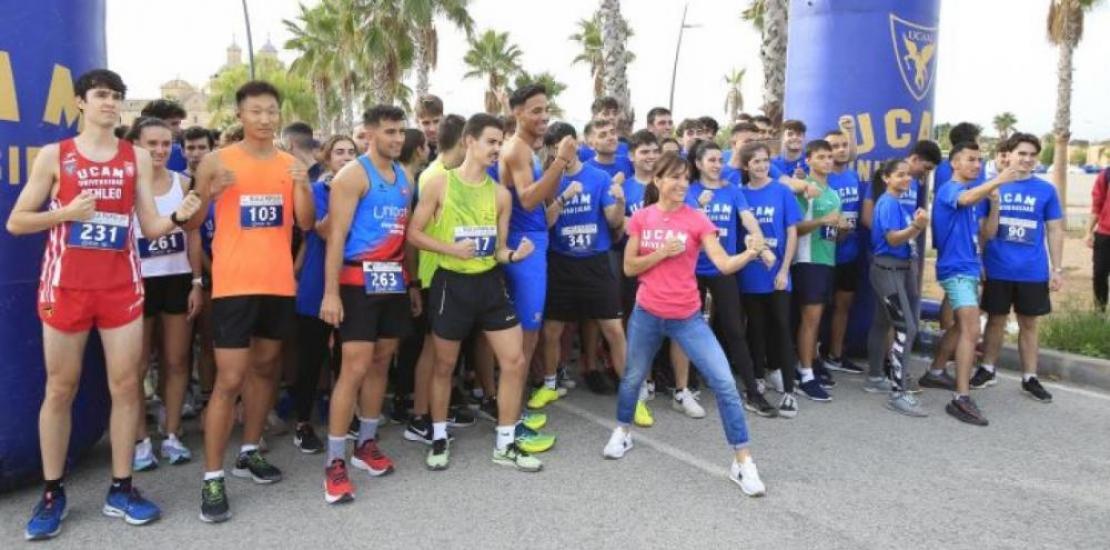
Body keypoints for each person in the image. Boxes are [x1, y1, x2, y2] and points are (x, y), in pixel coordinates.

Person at [7, 69, 202, 540]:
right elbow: (17, 221)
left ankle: (122, 487)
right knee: (61, 387)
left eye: (116, 96)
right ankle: (53, 492)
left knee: (126, 386)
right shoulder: (56, 155)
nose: (110, 102)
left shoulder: (134, 156)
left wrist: (179, 216)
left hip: (120, 287)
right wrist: (65, 214)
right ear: (80, 102)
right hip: (66, 286)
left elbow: (151, 227)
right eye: (101, 95)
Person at [602, 151, 766, 498]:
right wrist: (662, 253)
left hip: (687, 317)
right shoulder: (642, 219)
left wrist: (750, 253)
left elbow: (722, 264)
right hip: (646, 314)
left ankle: (743, 461)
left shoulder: (697, 220)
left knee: (723, 383)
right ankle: (623, 430)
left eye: (685, 178)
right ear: (658, 181)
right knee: (632, 377)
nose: (681, 184)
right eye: (673, 177)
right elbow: (629, 268)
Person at [186, 80, 314, 523]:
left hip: (277, 284)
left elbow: (306, 221)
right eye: (256, 111)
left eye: (271, 111)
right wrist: (210, 194)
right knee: (229, 379)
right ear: (240, 115)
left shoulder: (290, 163)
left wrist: (302, 185)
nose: (264, 118)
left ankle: (249, 452)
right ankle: (212, 476)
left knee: (265, 369)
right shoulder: (217, 161)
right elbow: (191, 221)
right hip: (234, 286)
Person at [407, 113, 543, 472]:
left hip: (489, 284)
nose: (498, 149)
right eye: (491, 142)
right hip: (451, 283)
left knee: (514, 362)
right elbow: (414, 233)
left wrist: (513, 255)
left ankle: (506, 442)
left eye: (501, 143)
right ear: (469, 141)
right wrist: (452, 250)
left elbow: (497, 248)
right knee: (444, 365)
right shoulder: (439, 183)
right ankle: (437, 437)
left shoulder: (500, 194)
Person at [317, 105, 417, 503]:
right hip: (357, 281)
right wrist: (330, 292)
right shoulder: (352, 174)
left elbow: (405, 234)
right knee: (354, 368)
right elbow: (336, 237)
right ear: (370, 133)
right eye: (389, 131)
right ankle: (334, 461)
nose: (396, 139)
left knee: (381, 364)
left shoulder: (406, 177)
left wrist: (411, 284)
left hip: (392, 280)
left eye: (400, 132)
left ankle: (367, 444)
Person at [674, 141, 780, 418]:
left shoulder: (732, 190)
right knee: (690, 328)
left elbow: (749, 221)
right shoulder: (689, 190)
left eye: (720, 160)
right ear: (698, 164)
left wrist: (762, 247)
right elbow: (678, 225)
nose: (717, 165)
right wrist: (697, 206)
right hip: (691, 270)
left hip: (724, 268)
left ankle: (753, 393)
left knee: (735, 329)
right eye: (711, 160)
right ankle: (688, 385)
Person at [125, 117, 205, 470]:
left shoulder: (184, 181)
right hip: (137, 282)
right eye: (151, 144)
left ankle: (171, 433)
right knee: (136, 367)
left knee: (176, 362)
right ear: (135, 145)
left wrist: (197, 282)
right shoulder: (125, 184)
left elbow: (193, 235)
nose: (159, 151)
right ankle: (141, 440)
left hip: (176, 278)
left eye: (165, 144)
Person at [538, 122, 631, 419]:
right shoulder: (548, 179)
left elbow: (614, 221)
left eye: (565, 143)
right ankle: (550, 384)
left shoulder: (598, 177)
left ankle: (632, 393)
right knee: (552, 330)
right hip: (561, 262)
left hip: (595, 262)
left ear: (576, 143)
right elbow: (546, 223)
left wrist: (619, 201)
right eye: (554, 146)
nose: (561, 150)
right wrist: (564, 197)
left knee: (614, 329)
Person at [495, 84, 576, 412]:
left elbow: (542, 196)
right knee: (526, 335)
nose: (544, 117)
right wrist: (560, 160)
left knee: (529, 333)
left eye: (546, 109)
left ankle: (514, 411)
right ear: (517, 113)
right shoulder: (516, 149)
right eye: (535, 111)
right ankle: (513, 417)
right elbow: (528, 200)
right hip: (522, 246)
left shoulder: (527, 148)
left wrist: (556, 166)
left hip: (534, 243)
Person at [929, 142, 1017, 426]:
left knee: (960, 325)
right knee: (971, 329)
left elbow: (986, 234)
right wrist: (1000, 179)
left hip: (968, 267)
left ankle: (936, 370)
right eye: (971, 160)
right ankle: (961, 397)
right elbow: (965, 200)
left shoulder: (975, 196)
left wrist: (995, 204)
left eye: (980, 161)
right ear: (955, 163)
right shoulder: (950, 190)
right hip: (955, 269)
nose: (977, 165)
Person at [975, 133, 1064, 402]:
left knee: (1028, 324)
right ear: (1009, 155)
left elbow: (1054, 229)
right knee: (996, 320)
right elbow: (982, 232)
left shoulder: (1046, 190)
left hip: (1032, 270)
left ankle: (1030, 377)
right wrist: (979, 261)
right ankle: (987, 369)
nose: (1026, 159)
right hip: (997, 268)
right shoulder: (991, 187)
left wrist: (1056, 269)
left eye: (1032, 155)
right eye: (1021, 153)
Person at [290, 135, 358, 454]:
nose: (346, 157)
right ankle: (303, 422)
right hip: (319, 282)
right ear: (327, 158)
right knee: (311, 356)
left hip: (355, 281)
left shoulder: (364, 189)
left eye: (351, 153)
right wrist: (341, 195)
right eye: (339, 152)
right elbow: (320, 229)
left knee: (347, 355)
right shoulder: (318, 190)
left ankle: (345, 415)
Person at [737, 142, 802, 418]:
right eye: (756, 162)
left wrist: (784, 269)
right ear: (745, 166)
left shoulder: (782, 191)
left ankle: (789, 390)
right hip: (750, 272)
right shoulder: (739, 194)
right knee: (756, 329)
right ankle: (758, 380)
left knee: (782, 330)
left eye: (765, 161)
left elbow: (792, 232)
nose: (762, 166)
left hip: (777, 273)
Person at [867, 159, 930, 416]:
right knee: (906, 327)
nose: (906, 179)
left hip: (896, 270)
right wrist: (916, 227)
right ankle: (898, 392)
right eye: (900, 175)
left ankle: (874, 377)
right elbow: (892, 238)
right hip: (888, 271)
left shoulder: (896, 203)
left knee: (883, 323)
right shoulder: (889, 203)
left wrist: (913, 226)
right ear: (886, 178)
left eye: (908, 176)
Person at [791, 139, 843, 400]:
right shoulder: (805, 190)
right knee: (809, 320)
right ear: (808, 160)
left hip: (827, 260)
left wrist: (840, 228)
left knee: (817, 319)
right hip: (807, 260)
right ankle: (805, 374)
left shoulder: (833, 194)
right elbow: (795, 227)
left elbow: (829, 233)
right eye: (821, 157)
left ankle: (810, 363)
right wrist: (823, 220)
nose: (827, 162)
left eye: (830, 157)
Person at [822, 122, 867, 375]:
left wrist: (850, 132)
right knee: (816, 309)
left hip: (850, 254)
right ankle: (810, 358)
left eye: (843, 146)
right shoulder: (821, 180)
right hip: (825, 254)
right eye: (833, 147)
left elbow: (854, 151)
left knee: (843, 306)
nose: (840, 150)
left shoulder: (851, 174)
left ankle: (836, 356)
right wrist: (836, 236)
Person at [140, 98, 188, 172]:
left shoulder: (182, 153)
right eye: (173, 124)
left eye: (179, 123)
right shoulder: (129, 154)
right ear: (153, 123)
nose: (179, 130)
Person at [1086, 165, 1110, 311]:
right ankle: (1099, 313)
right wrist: (1088, 232)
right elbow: (1097, 205)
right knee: (1099, 275)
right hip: (1105, 235)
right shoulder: (1106, 174)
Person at [578, 96, 629, 161]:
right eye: (606, 113)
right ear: (594, 117)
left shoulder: (627, 149)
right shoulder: (582, 153)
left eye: (615, 113)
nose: (612, 117)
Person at [415, 94, 444, 161]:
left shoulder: (455, 146)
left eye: (436, 121)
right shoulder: (411, 153)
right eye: (426, 123)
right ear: (417, 122)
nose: (432, 129)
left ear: (443, 118)